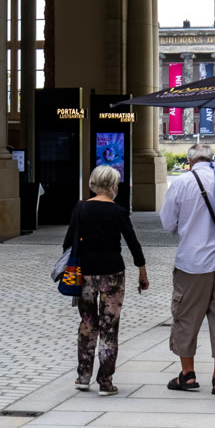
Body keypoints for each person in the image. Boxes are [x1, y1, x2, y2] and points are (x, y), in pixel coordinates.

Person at [159, 143, 215, 394]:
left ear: (189, 162)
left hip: (191, 263)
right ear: (212, 159)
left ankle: (187, 375)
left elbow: (168, 224)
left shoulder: (181, 183)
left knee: (185, 317)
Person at [63, 164, 148, 395]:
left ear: (93, 184)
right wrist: (142, 271)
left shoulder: (80, 208)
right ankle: (105, 382)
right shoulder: (118, 211)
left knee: (87, 323)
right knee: (109, 326)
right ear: (113, 186)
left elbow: (68, 242)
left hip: (84, 274)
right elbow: (133, 243)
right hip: (113, 275)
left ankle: (83, 376)